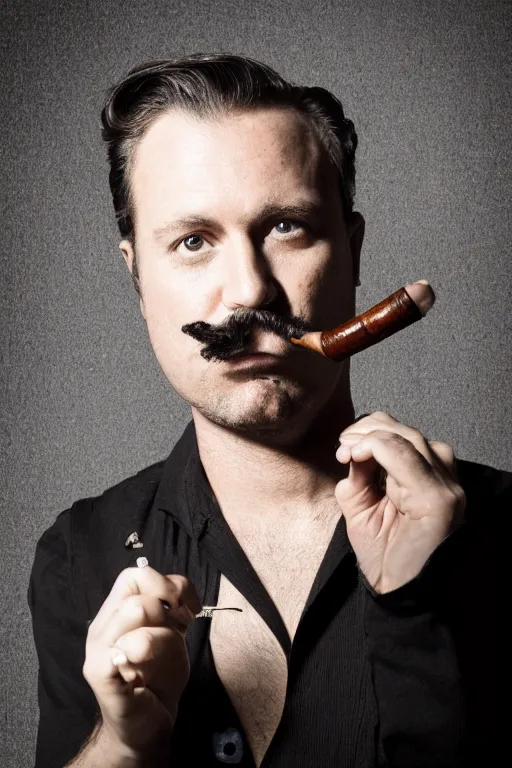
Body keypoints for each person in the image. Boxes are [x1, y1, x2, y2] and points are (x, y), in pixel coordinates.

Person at [28, 53, 508, 768]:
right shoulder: (79, 557)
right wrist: (121, 746)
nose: (249, 289)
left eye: (286, 227)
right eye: (193, 242)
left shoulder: (502, 532)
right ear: (136, 276)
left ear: (353, 249)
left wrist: (417, 618)